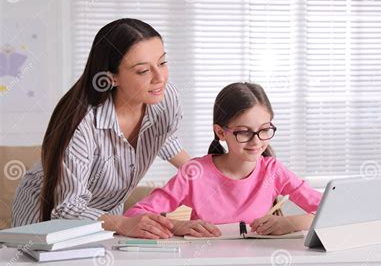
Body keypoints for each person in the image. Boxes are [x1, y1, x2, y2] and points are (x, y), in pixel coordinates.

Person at [12, 18, 190, 239]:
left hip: (107, 216)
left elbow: (164, 137)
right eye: (143, 71)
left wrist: (205, 177)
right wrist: (124, 224)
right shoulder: (81, 125)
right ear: (111, 78)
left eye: (162, 63)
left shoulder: (163, 97)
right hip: (49, 214)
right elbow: (67, 208)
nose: (159, 77)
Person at [125, 82, 322, 237]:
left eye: (264, 130)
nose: (256, 141)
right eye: (244, 132)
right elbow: (134, 214)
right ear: (220, 132)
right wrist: (177, 226)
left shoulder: (274, 171)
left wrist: (291, 223)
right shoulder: (195, 172)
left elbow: (331, 213)